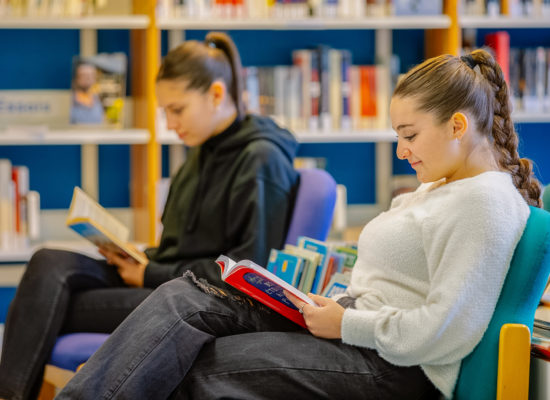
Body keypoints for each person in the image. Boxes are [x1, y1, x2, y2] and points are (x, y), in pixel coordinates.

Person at [56, 48, 542, 400]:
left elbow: (445, 331)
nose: (402, 150)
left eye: (410, 135)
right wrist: (335, 305)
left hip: (390, 367)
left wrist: (347, 321)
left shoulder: (483, 203)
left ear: (458, 126)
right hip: (351, 329)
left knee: (200, 368)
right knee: (184, 298)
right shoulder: (442, 187)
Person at [0, 32, 299, 400]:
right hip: (160, 276)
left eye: (178, 109)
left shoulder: (260, 160)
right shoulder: (201, 152)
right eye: (165, 112)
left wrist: (150, 272)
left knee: (40, 303)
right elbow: (180, 245)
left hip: (195, 295)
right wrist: (133, 255)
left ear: (217, 95)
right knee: (48, 263)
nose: (171, 123)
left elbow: (246, 271)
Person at [69, 60, 105, 124]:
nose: (88, 78)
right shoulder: (70, 101)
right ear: (76, 78)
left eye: (91, 75)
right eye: (84, 75)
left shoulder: (97, 100)